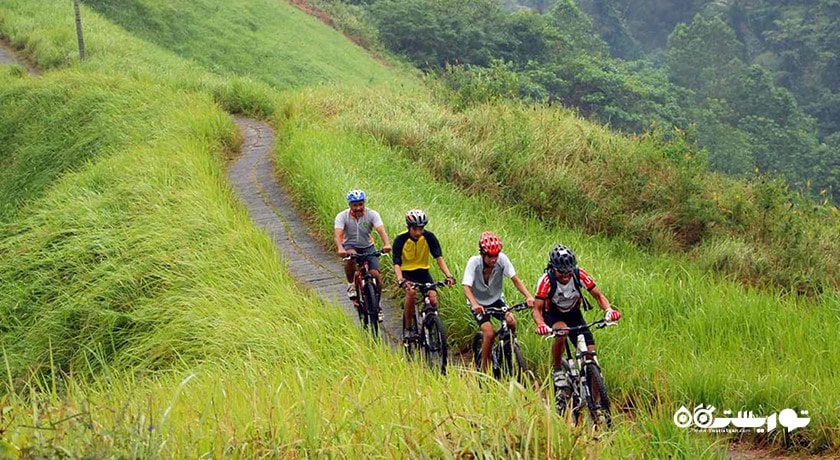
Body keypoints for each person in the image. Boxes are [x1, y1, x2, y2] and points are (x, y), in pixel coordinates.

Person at [532, 244, 622, 409]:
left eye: (568, 272)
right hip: (553, 314)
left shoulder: (579, 274)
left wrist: (609, 310)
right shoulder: (546, 281)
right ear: (553, 269)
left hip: (574, 313)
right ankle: (558, 369)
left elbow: (598, 296)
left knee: (591, 356)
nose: (566, 276)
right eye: (561, 272)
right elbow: (536, 309)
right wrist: (541, 324)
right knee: (562, 331)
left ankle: (596, 404)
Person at [463, 231, 535, 374]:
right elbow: (466, 286)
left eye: (496, 256)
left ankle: (508, 348)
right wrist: (475, 304)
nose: (493, 260)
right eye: (490, 256)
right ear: (482, 254)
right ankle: (484, 369)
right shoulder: (474, 263)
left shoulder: (502, 260)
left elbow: (515, 279)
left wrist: (528, 296)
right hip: (478, 303)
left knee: (511, 321)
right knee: (489, 333)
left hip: (496, 300)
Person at [392, 209, 456, 341]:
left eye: (420, 229)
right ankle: (408, 328)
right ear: (409, 227)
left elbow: (439, 258)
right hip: (407, 273)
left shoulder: (429, 237)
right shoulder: (400, 239)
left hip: (423, 273)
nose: (418, 232)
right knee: (411, 293)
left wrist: (449, 276)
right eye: (415, 229)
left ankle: (431, 322)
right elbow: (396, 262)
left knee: (433, 300)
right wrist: (400, 279)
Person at [334, 189, 391, 320]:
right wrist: (340, 248)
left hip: (368, 246)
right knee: (351, 258)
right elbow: (338, 235)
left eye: (361, 204)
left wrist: (386, 244)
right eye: (355, 205)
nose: (358, 208)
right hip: (350, 246)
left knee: (376, 275)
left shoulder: (372, 214)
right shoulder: (342, 216)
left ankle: (377, 305)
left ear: (364, 203)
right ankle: (351, 285)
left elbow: (381, 230)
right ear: (350, 205)